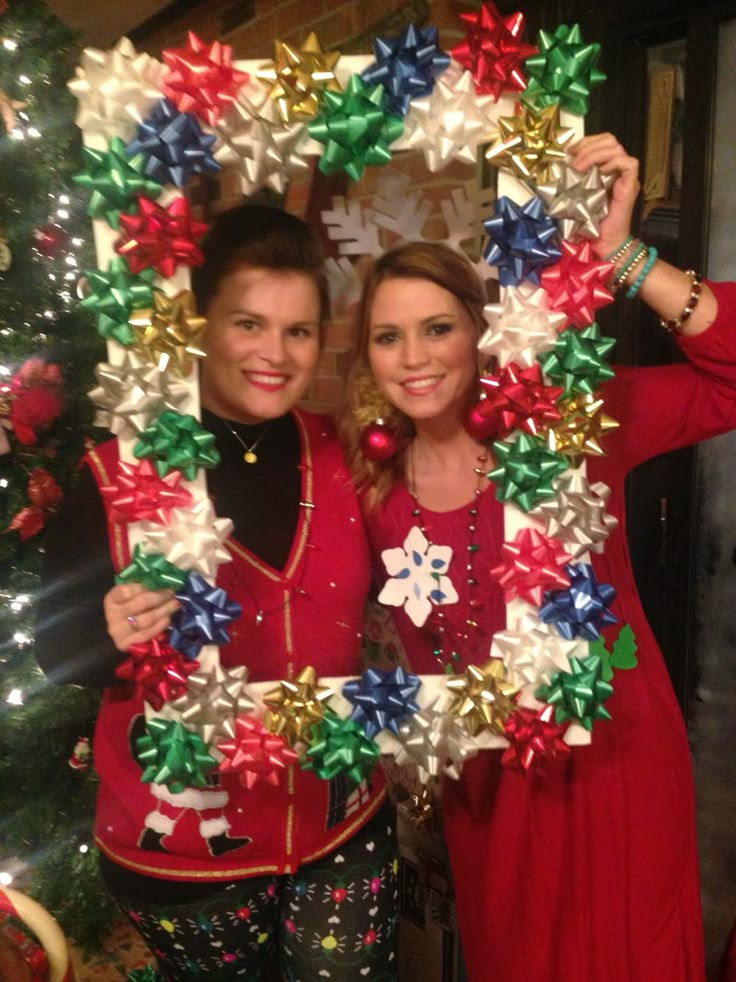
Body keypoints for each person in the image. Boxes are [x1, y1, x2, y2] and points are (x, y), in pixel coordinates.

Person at [339, 133, 736, 982]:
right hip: (493, 793)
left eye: (438, 328)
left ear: (479, 332)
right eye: (388, 337)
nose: (415, 358)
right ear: (366, 354)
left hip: (617, 762)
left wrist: (624, 258)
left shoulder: (568, 424)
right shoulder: (364, 480)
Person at [36, 205, 398, 982]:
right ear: (198, 326)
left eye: (298, 331)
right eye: (248, 324)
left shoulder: (345, 453)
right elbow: (54, 653)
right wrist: (110, 630)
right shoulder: (120, 470)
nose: (275, 353)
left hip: (341, 823)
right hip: (187, 850)